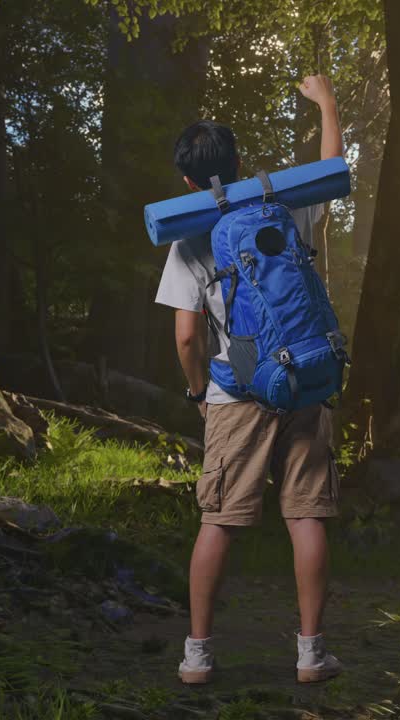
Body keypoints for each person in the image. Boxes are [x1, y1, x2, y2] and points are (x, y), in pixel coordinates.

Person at [154, 74, 345, 685]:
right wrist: (326, 105)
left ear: (188, 181)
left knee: (219, 520)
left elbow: (188, 337)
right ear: (240, 163)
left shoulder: (187, 239)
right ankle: (311, 653)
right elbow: (331, 168)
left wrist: (197, 394)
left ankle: (198, 655)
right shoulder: (283, 204)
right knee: (305, 515)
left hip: (237, 387)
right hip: (305, 376)